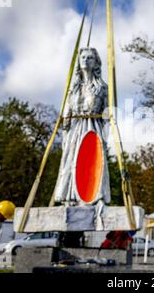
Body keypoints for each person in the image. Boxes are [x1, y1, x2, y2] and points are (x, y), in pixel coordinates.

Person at [53, 47, 110, 206]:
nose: (85, 60)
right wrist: (65, 131)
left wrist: (107, 135)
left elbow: (106, 113)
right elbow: (67, 113)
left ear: (96, 62)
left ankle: (94, 195)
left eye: (90, 57)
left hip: (93, 126)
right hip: (75, 129)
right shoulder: (73, 88)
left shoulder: (102, 88)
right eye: (83, 57)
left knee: (92, 161)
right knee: (72, 160)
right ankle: (70, 196)